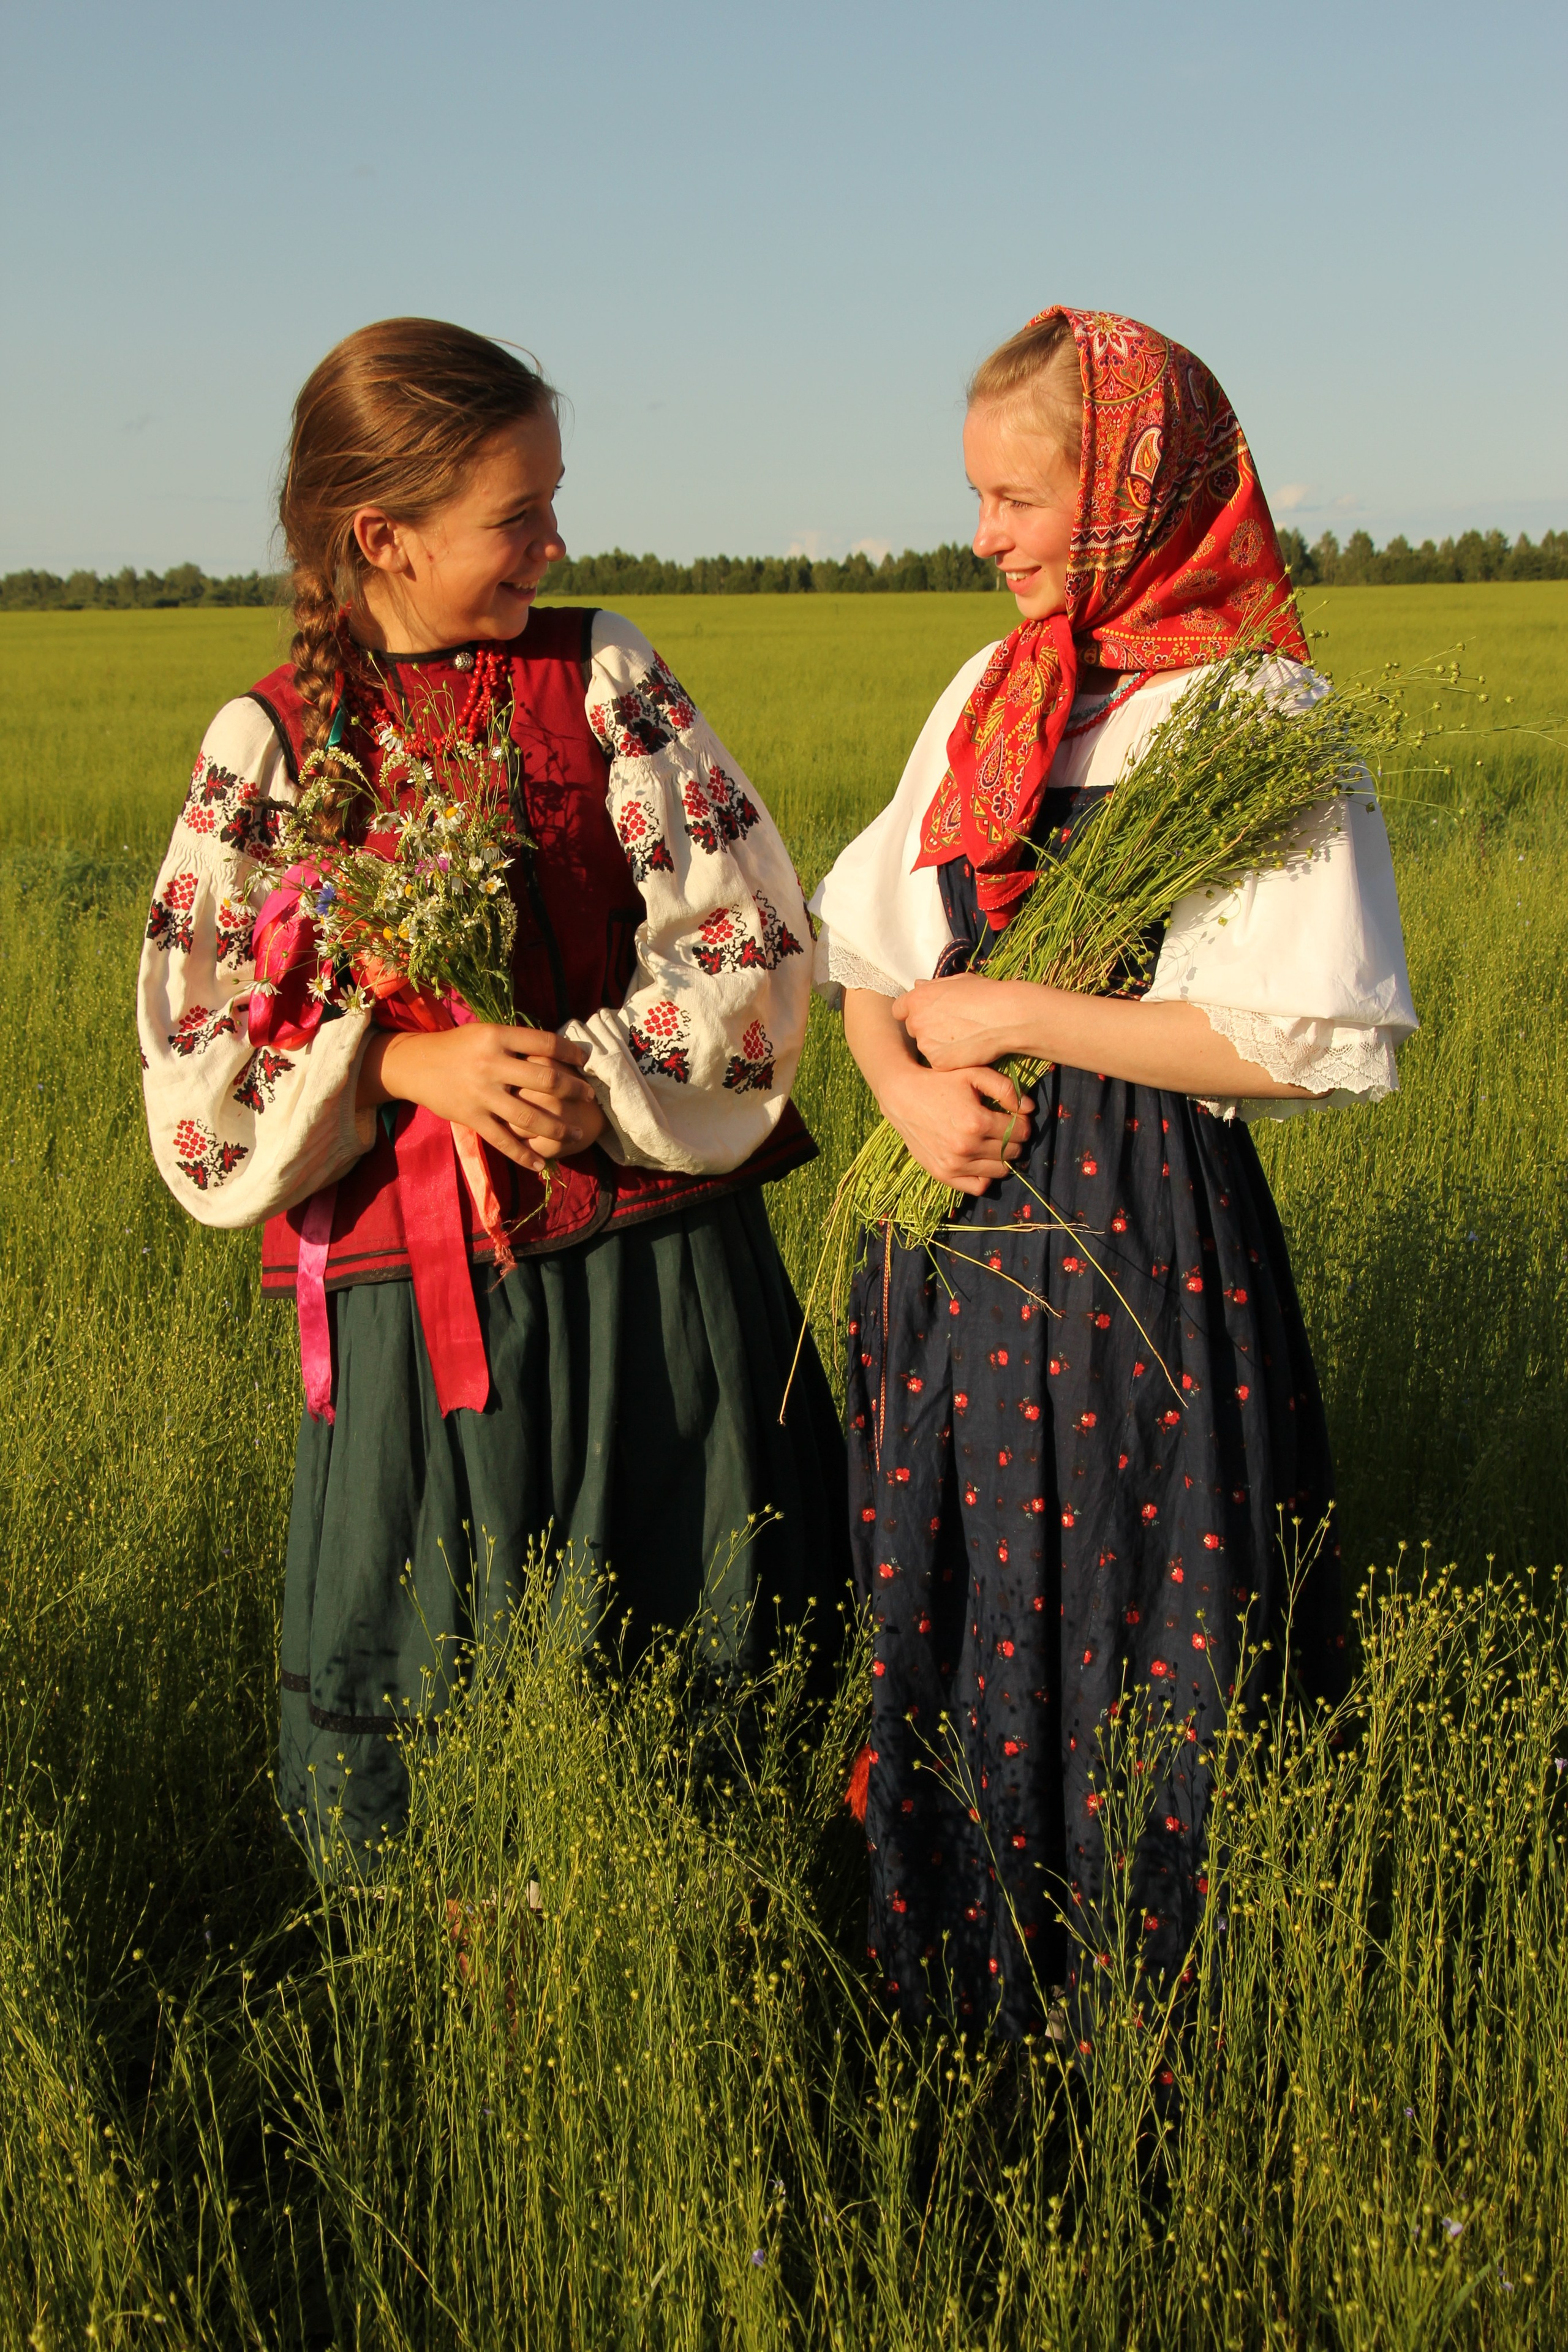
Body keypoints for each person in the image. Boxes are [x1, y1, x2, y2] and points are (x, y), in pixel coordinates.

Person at [138, 317, 845, 1863]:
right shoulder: (268, 740)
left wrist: (590, 1072)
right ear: (379, 534)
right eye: (514, 516)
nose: (553, 541)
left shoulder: (599, 670)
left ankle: (703, 1960)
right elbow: (196, 1061)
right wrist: (405, 1062)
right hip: (416, 1306)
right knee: (443, 1683)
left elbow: (751, 931)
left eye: (552, 499)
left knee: (702, 1671)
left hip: (655, 1260)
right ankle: (476, 2010)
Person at [810, 307, 1416, 2042]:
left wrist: (1018, 1008)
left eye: (1014, 498)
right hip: (953, 1238)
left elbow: (1295, 1040)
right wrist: (906, 1085)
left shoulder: (1253, 711)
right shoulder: (998, 690)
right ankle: (964, 2025)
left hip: (1141, 1254)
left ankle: (1167, 2060)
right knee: (967, 1604)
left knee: (1151, 1625)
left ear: (1131, 490)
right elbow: (868, 955)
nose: (983, 534)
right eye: (978, 498)